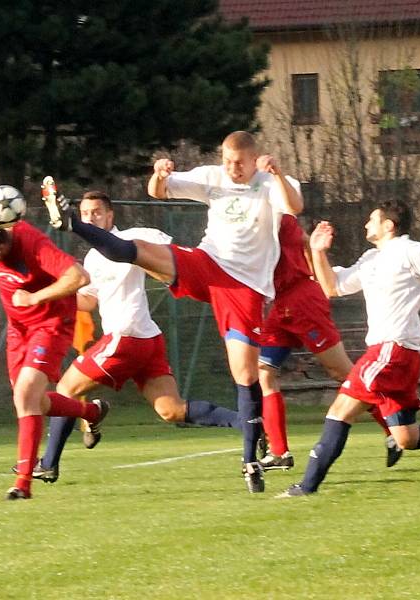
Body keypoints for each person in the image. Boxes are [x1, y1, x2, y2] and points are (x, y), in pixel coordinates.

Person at [43, 131, 303, 492]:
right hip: (206, 262)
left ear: (255, 157)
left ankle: (250, 459)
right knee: (133, 248)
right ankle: (72, 223)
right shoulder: (214, 177)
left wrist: (275, 174)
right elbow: (158, 191)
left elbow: (295, 207)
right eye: (227, 161)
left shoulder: (272, 182)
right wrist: (161, 174)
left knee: (244, 374)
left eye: (239, 163)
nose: (232, 169)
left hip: (244, 288)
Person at [279, 201, 420, 497]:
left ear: (389, 225)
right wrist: (319, 252)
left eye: (372, 219)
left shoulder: (412, 250)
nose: (365, 225)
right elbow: (332, 286)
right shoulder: (372, 258)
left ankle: (306, 487)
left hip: (391, 350)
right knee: (407, 437)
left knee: (341, 409)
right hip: (397, 355)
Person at [32, 190, 240, 483]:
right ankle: (249, 423)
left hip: (126, 335)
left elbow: (173, 254)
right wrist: (48, 296)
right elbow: (89, 301)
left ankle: (51, 461)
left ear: (110, 215)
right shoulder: (93, 257)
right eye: (85, 214)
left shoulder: (134, 235)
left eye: (96, 212)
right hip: (147, 338)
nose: (90, 218)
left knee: (66, 388)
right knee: (171, 409)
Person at [0, 212, 108, 501]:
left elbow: (79, 276)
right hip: (19, 331)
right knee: (36, 402)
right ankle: (91, 412)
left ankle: (23, 483)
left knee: (25, 394)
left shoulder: (31, 242)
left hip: (52, 324)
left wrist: (33, 298)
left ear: (2, 249)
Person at [257, 213, 403, 471]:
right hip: (280, 304)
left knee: (343, 373)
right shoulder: (245, 217)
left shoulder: (275, 215)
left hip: (302, 302)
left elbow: (299, 235)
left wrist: (314, 263)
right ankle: (279, 452)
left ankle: (393, 430)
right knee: (264, 373)